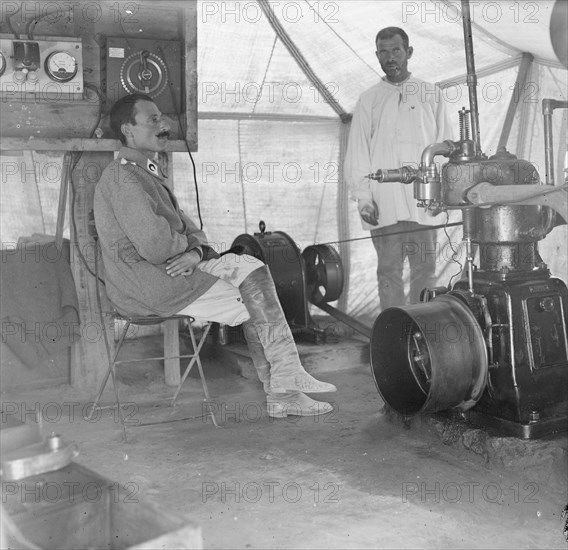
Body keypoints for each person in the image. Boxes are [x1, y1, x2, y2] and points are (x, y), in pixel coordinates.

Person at [93, 93, 336, 418]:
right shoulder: (122, 177)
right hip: (146, 286)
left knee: (252, 270)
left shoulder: (144, 172)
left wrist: (195, 251)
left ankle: (285, 382)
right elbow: (154, 245)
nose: (162, 124)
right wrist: (190, 248)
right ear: (128, 130)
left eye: (161, 117)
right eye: (152, 119)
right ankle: (284, 389)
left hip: (171, 272)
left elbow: (195, 232)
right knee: (254, 299)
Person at [344, 27, 454, 310]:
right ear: (377, 55)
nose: (389, 57)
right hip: (384, 203)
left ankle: (424, 333)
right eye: (383, 51)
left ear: (409, 52)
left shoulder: (431, 93)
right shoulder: (369, 99)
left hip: (425, 203)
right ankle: (394, 336)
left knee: (425, 271)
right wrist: (364, 199)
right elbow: (357, 152)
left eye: (395, 50)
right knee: (388, 272)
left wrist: (441, 195)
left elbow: (445, 148)